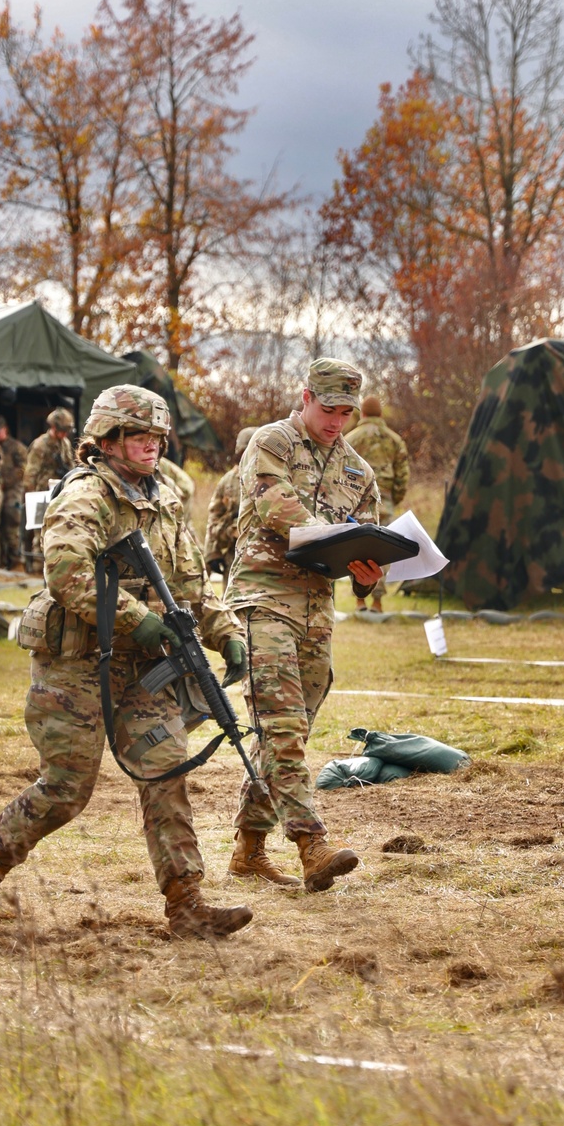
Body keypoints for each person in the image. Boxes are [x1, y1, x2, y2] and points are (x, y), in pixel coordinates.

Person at [0, 385, 252, 941]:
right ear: (109, 439)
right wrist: (136, 617)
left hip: (142, 670)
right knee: (67, 788)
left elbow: (189, 587)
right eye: (141, 435)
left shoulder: (163, 501)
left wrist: (224, 631)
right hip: (76, 663)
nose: (153, 446)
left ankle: (186, 902)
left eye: (159, 437)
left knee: (167, 771)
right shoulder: (86, 494)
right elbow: (65, 571)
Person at [225, 358, 382, 892]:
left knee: (288, 734)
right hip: (264, 599)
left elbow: (371, 543)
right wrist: (336, 540)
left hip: (317, 613)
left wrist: (367, 574)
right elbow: (278, 509)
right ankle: (310, 844)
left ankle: (248, 850)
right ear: (306, 397)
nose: (337, 421)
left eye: (347, 412)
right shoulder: (271, 443)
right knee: (284, 729)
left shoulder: (360, 471)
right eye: (329, 409)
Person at [344, 396, 410, 611]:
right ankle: (378, 602)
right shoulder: (394, 440)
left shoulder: (351, 438)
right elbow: (403, 475)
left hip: (357, 501)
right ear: (381, 414)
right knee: (382, 552)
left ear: (362, 414)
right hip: (386, 502)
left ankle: (360, 600)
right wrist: (393, 499)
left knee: (356, 550)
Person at [24, 407, 77, 572]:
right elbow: (30, 473)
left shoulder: (64, 444)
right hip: (42, 494)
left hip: (60, 493)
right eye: (62, 431)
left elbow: (70, 466)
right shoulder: (40, 445)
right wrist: (30, 497)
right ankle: (39, 567)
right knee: (40, 530)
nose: (64, 435)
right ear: (54, 428)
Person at [204, 426, 258, 575]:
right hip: (234, 554)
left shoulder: (273, 477)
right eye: (245, 451)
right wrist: (212, 553)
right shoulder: (228, 481)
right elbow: (214, 515)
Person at [0, 419, 28, 570]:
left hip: (13, 490)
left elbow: (23, 469)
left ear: (5, 429)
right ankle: (1, 559)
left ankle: (16, 560)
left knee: (12, 522)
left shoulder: (16, 447)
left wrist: (6, 481)